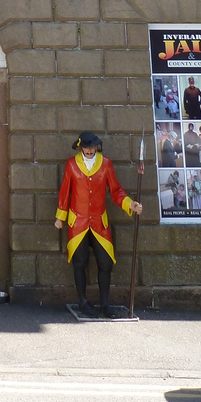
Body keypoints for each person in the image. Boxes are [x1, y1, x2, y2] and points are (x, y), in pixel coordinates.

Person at [54, 131, 142, 319]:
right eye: (86, 147)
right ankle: (83, 301)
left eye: (92, 147)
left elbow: (116, 190)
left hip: (99, 221)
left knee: (106, 262)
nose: (89, 150)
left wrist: (130, 204)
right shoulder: (71, 164)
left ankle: (105, 304)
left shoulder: (106, 164)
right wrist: (60, 217)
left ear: (97, 147)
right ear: (80, 147)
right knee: (80, 261)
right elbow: (65, 191)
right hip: (77, 222)